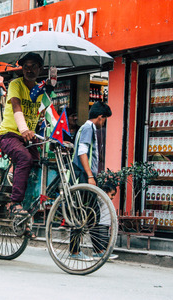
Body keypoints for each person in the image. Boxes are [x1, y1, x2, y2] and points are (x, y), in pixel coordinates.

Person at [0, 52, 47, 239]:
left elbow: (47, 115)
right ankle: (15, 204)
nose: (30, 69)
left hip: (29, 137)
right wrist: (24, 128)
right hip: (9, 135)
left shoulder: (40, 91)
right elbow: (17, 106)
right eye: (26, 65)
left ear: (40, 69)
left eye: (34, 66)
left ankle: (27, 212)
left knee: (42, 162)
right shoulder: (15, 84)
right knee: (24, 158)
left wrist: (60, 138)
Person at [69, 101, 112, 260]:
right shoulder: (88, 128)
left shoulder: (87, 128)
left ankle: (98, 249)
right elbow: (82, 152)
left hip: (84, 174)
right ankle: (75, 251)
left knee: (89, 212)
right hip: (82, 174)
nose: (104, 123)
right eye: (105, 119)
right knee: (84, 211)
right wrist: (90, 175)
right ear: (100, 117)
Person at [91, 182, 119, 260]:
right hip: (101, 223)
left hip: (106, 224)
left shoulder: (108, 201)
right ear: (105, 192)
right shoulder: (100, 199)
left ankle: (102, 253)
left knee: (105, 239)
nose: (113, 197)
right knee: (100, 239)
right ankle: (98, 253)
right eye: (112, 194)